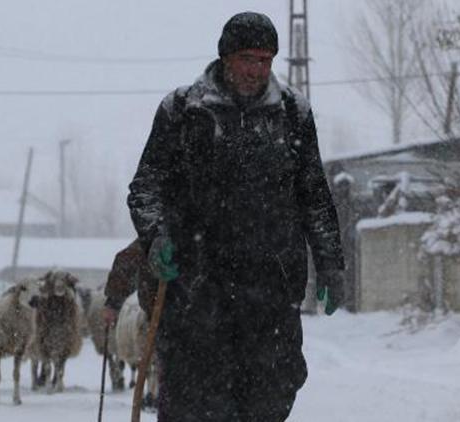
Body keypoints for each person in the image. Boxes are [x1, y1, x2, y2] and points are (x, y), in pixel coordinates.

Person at [126, 11, 345, 422]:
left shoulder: (292, 114)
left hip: (270, 295)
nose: (256, 70)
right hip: (196, 290)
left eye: (265, 61)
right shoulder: (183, 112)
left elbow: (314, 195)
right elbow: (146, 187)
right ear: (226, 57)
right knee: (196, 402)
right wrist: (156, 237)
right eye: (247, 58)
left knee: (269, 397)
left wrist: (331, 263)